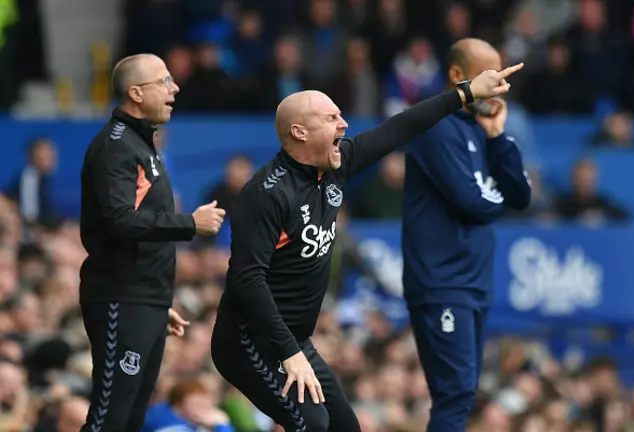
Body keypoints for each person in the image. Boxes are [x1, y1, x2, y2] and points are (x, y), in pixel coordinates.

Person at [210, 61, 524, 431]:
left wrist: (466, 92)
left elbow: (399, 127)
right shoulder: (266, 195)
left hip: (293, 339)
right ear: (299, 131)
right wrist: (289, 352)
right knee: (312, 424)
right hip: (248, 340)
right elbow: (248, 280)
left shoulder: (337, 165)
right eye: (331, 119)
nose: (343, 125)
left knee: (346, 427)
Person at [78, 54, 226, 432]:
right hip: (120, 296)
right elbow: (120, 220)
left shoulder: (143, 145)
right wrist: (189, 224)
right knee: (109, 417)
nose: (174, 89)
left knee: (130, 419)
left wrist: (159, 300)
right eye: (164, 82)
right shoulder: (117, 148)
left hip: (144, 298)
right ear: (135, 93)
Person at [401, 38, 532, 432]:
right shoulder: (435, 126)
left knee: (463, 392)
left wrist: (497, 139)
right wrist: (500, 198)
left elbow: (521, 196)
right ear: (458, 76)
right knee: (455, 394)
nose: (499, 85)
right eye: (491, 75)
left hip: (473, 282)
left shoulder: (482, 129)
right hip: (442, 282)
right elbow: (473, 201)